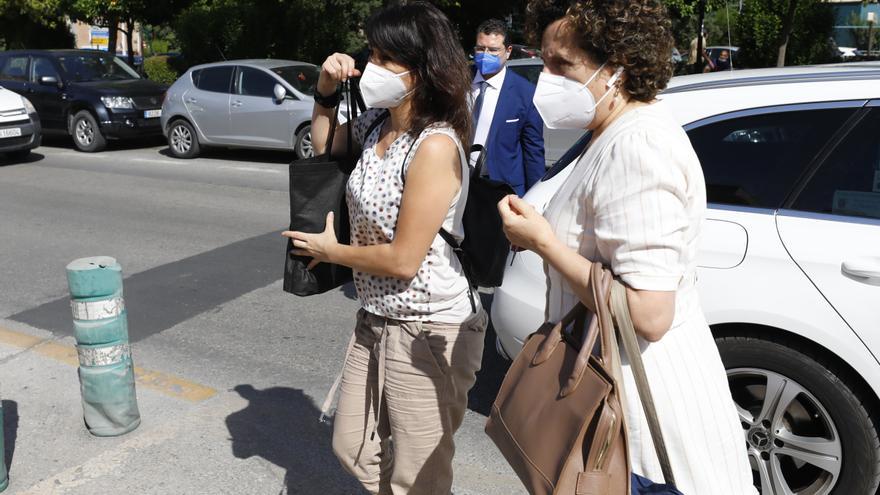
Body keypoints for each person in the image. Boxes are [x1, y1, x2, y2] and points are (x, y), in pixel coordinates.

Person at [497, 1, 758, 493]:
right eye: (544, 61)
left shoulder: (637, 145)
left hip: (639, 429)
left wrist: (543, 244)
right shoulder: (615, 129)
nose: (545, 78)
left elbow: (649, 313)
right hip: (614, 406)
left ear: (616, 67)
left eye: (561, 65)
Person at [282, 2, 487, 494]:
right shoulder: (378, 123)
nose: (371, 66)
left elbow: (403, 259)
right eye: (370, 53)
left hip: (428, 327)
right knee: (351, 446)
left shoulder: (434, 145)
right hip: (376, 317)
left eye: (384, 57)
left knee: (419, 475)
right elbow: (326, 147)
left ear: (423, 70)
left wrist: (333, 252)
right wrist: (325, 93)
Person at [471, 19, 546, 196]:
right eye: (480, 49)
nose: (485, 54)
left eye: (493, 50)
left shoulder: (525, 93)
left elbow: (533, 150)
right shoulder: (458, 84)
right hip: (458, 184)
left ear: (508, 51)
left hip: (502, 189)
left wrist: (536, 197)